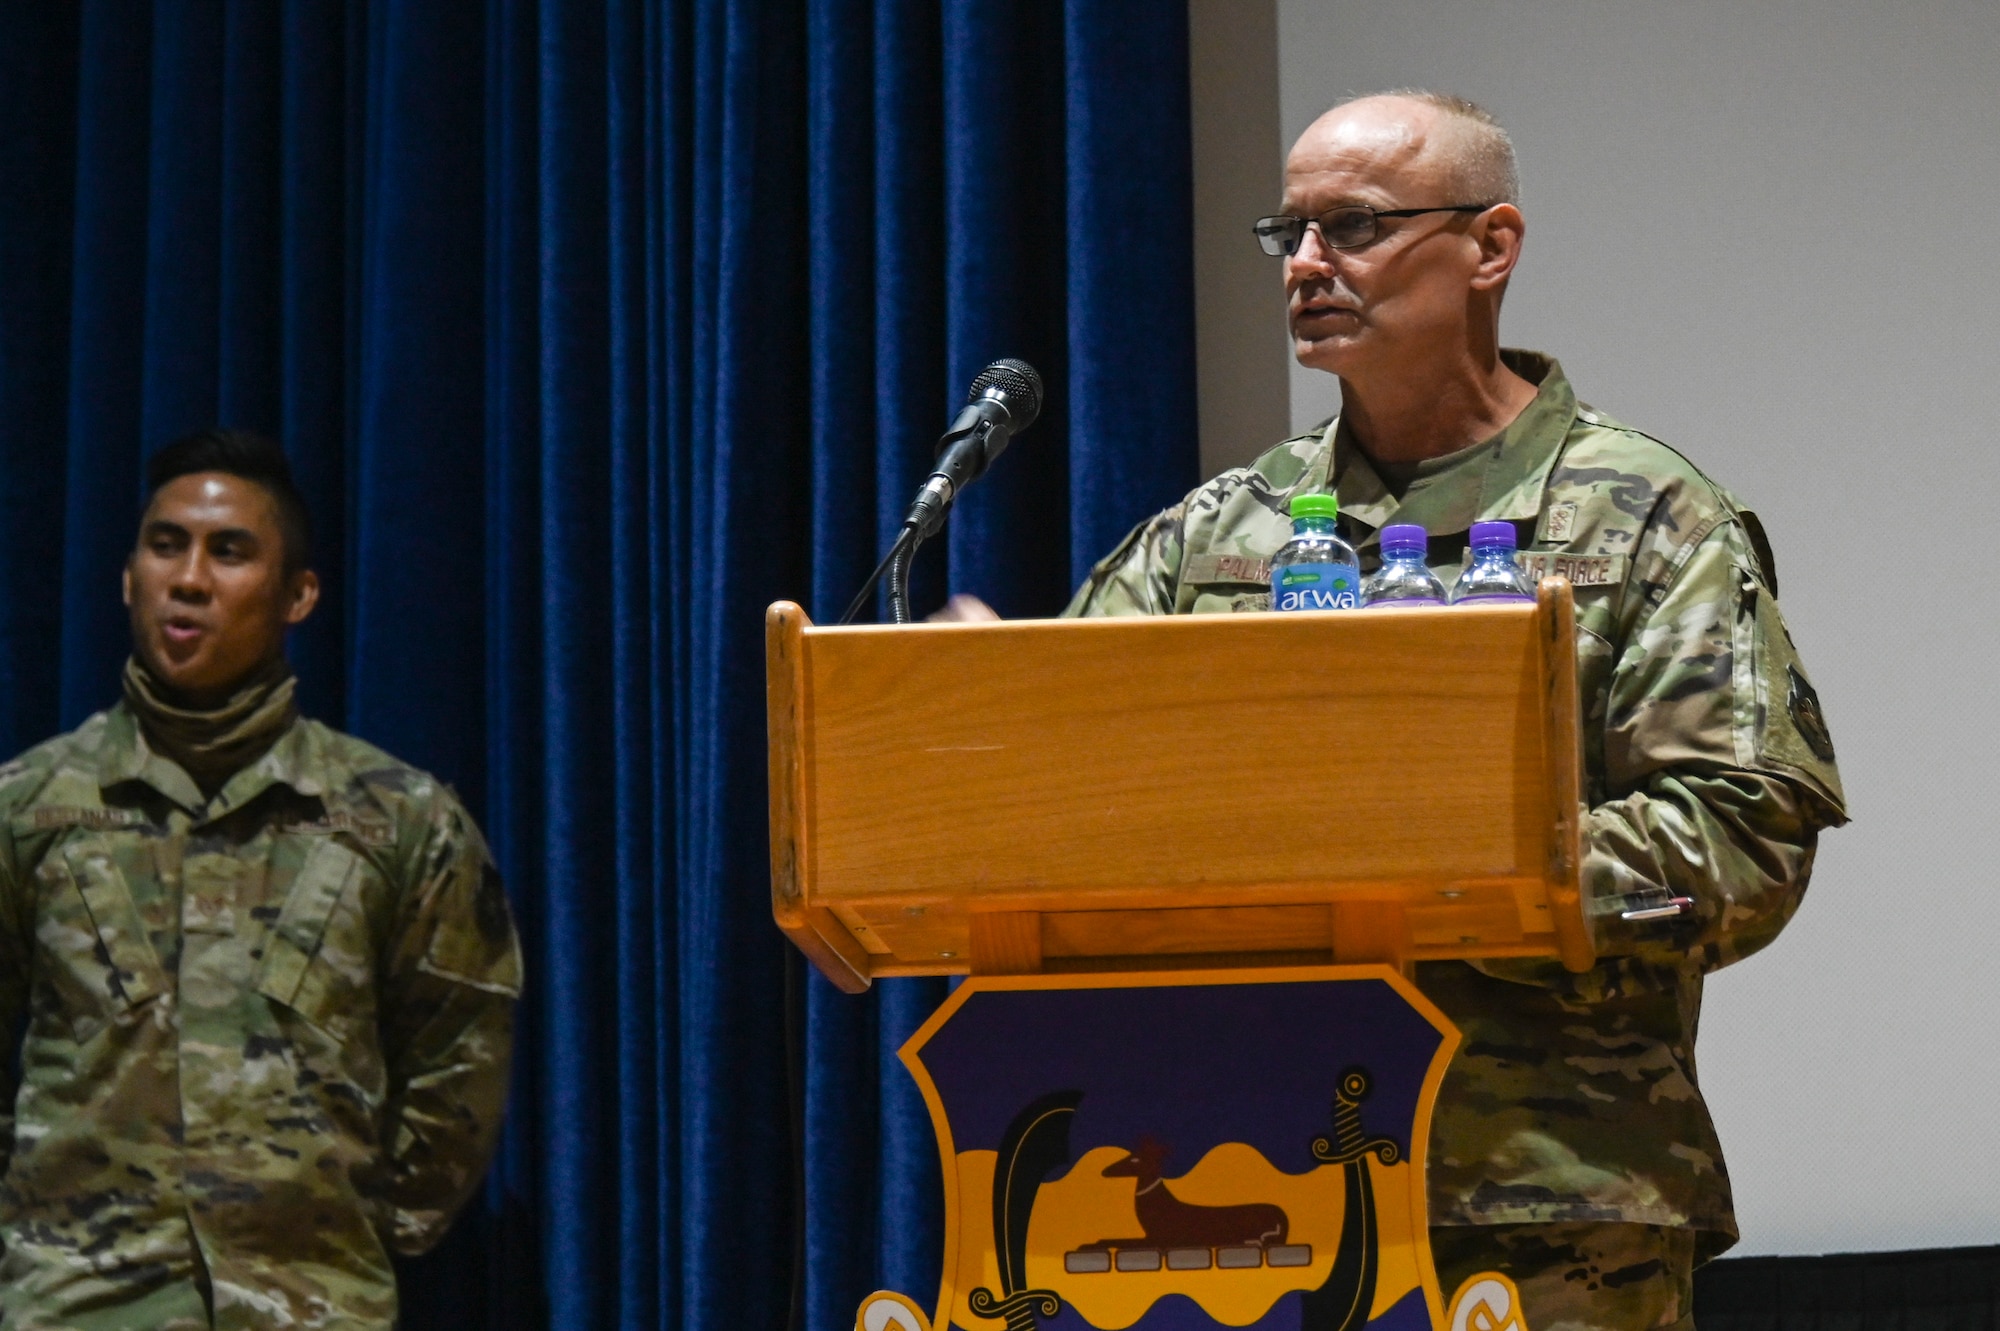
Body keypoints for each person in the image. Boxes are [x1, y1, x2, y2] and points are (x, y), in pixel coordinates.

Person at [944, 92, 1847, 1329]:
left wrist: (1463, 875)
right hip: (1240, 1187)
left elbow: (1743, 838)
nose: (1308, 264)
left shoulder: (1645, 517)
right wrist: (977, 724)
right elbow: (1071, 797)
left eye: (1354, 226)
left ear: (1490, 247)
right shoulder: (1218, 535)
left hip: (1536, 1200)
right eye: (1289, 233)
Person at [0, 431, 522, 1329]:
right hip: (80, 1304)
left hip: (313, 1305)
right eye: (166, 545)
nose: (191, 579)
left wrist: (348, 1242)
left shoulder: (399, 820)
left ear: (299, 594)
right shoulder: (28, 808)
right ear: (128, 575)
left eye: (230, 551)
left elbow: (459, 1061)